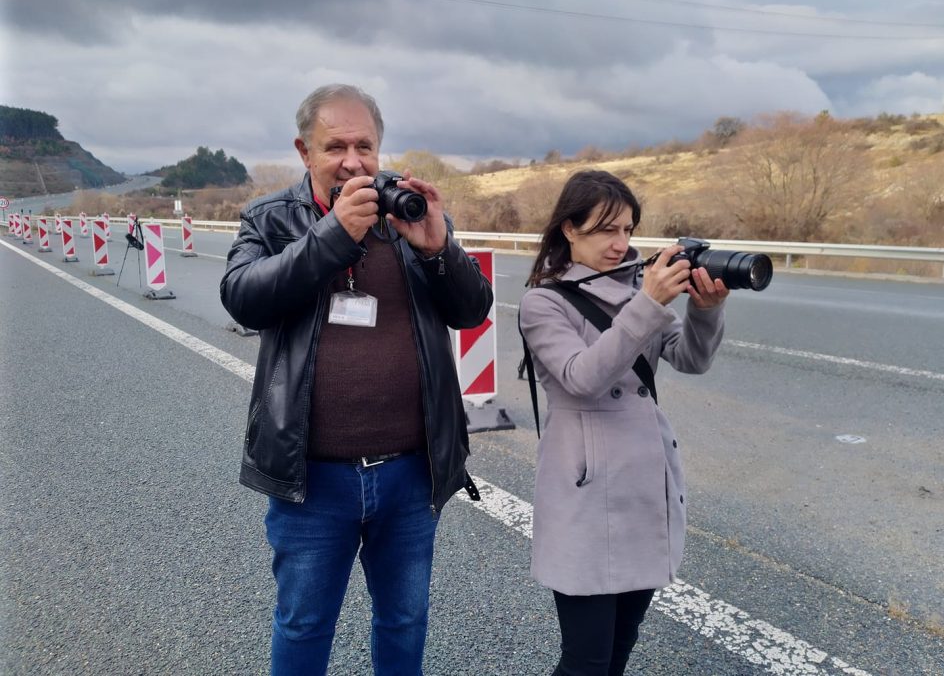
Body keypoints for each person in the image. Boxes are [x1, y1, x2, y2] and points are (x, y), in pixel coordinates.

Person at [220, 83, 493, 675]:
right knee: (304, 624)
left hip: (409, 475)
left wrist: (438, 248)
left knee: (404, 622)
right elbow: (242, 299)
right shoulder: (271, 219)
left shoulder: (405, 215)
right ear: (304, 151)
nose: (352, 160)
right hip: (312, 479)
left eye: (364, 145)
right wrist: (330, 238)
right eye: (334, 145)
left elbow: (473, 310)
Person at [518, 170, 729, 675]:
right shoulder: (543, 301)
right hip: (585, 489)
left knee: (619, 648)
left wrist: (706, 311)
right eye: (605, 230)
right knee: (586, 658)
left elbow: (691, 359)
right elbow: (581, 378)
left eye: (629, 230)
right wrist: (649, 304)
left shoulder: (638, 285)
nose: (621, 244)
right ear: (569, 229)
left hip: (640, 485)